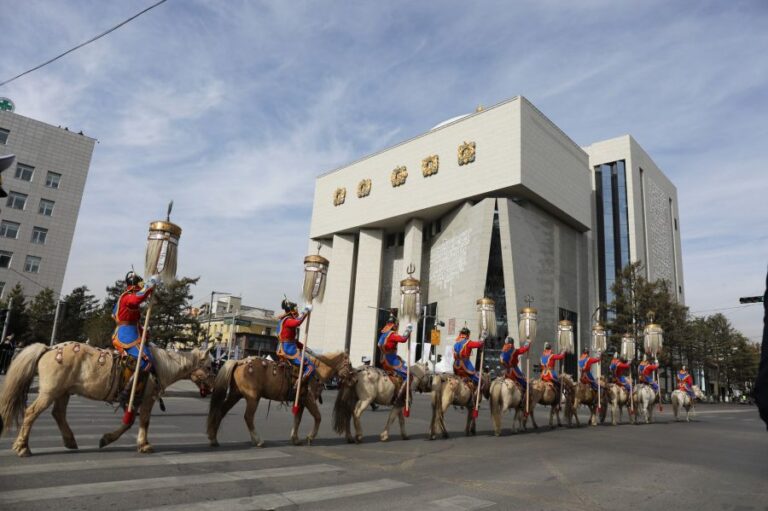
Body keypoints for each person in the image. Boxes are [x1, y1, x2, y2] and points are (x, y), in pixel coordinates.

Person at [113, 271, 160, 406]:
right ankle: (126, 394)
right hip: (127, 335)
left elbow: (136, 321)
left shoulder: (126, 296)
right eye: (140, 283)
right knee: (147, 361)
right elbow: (138, 298)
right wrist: (151, 283)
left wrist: (145, 335)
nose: (141, 286)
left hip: (133, 332)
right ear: (134, 285)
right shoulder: (127, 297)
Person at [276, 298, 314, 397]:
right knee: (310, 366)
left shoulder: (282, 320)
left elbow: (292, 340)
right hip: (289, 349)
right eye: (296, 310)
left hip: (286, 346)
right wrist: (306, 310)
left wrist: (306, 348)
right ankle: (299, 384)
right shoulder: (288, 320)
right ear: (292, 310)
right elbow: (297, 322)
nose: (297, 312)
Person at [377, 314, 412, 403]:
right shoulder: (391, 335)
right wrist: (408, 330)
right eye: (397, 325)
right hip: (391, 360)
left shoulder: (384, 334)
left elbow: (379, 345)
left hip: (384, 359)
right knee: (409, 375)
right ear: (394, 325)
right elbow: (403, 339)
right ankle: (399, 397)